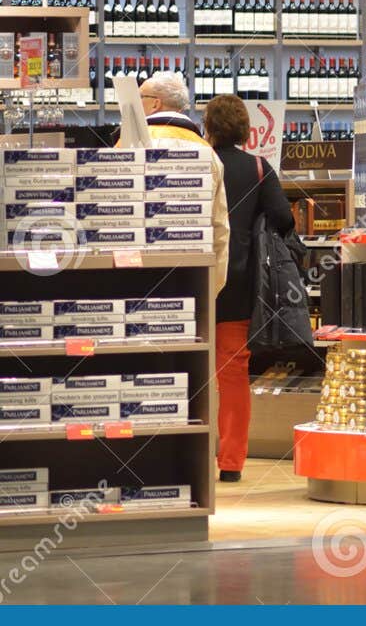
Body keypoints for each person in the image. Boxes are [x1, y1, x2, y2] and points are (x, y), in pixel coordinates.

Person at [204, 95, 294, 484]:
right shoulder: (258, 167)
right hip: (238, 282)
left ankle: (182, 447)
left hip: (190, 276)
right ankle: (231, 462)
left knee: (183, 366)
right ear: (244, 128)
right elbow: (284, 219)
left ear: (208, 127)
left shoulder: (198, 162)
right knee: (232, 371)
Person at [121, 71, 230, 308]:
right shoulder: (208, 152)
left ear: (155, 103)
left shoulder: (129, 143)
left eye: (139, 97)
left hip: (134, 276)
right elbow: (219, 227)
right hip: (190, 277)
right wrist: (211, 289)